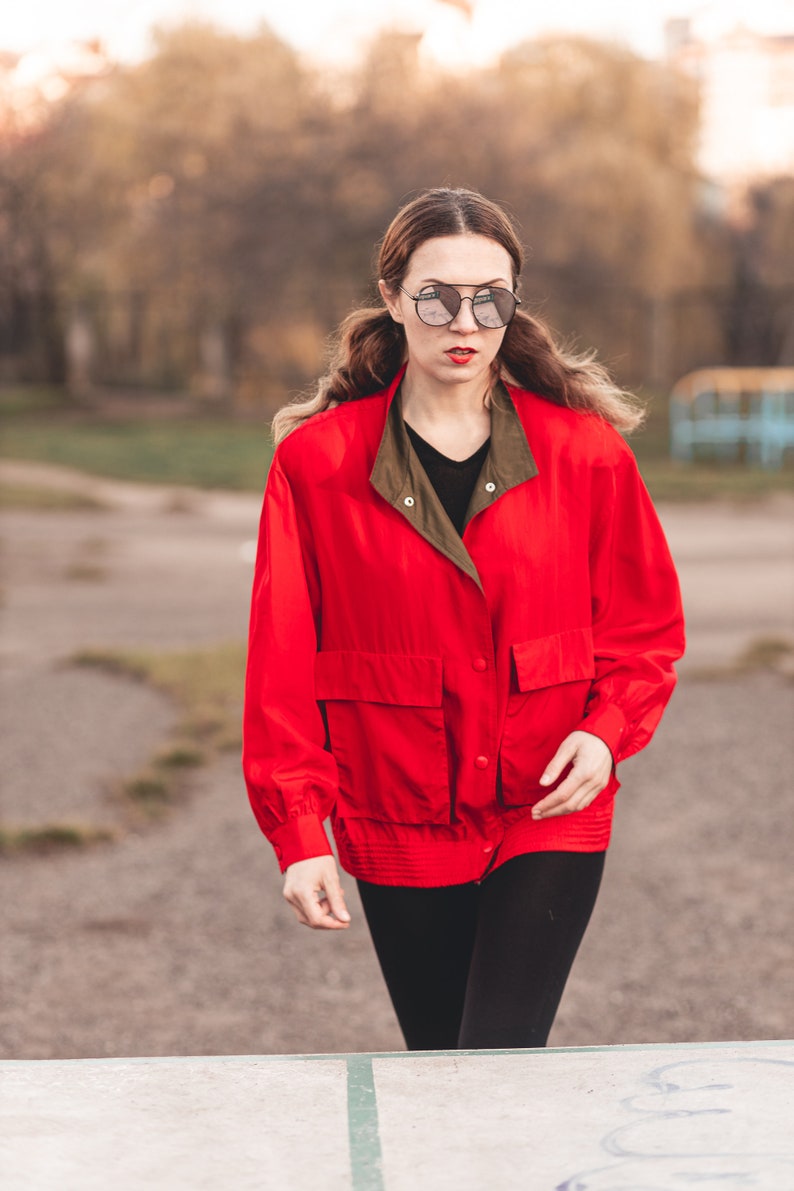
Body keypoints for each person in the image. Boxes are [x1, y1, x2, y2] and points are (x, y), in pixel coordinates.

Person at [243, 187, 685, 1051]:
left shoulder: (585, 453)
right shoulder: (317, 465)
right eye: (439, 294)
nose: (466, 320)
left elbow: (643, 632)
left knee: (497, 1061)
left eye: (491, 296)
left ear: (514, 302)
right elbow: (282, 669)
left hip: (548, 804)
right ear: (393, 296)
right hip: (398, 814)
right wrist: (300, 834)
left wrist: (605, 732)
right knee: (442, 1068)